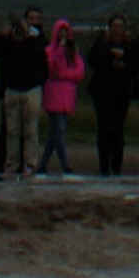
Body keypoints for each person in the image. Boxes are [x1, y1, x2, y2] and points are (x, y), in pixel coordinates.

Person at [0, 10, 49, 180]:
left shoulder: (38, 38)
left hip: (31, 88)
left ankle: (30, 165)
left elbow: (39, 56)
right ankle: (11, 166)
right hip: (12, 88)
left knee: (31, 130)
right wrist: (3, 37)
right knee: (12, 131)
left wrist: (28, 36)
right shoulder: (11, 38)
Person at [85, 14, 139, 177]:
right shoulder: (102, 43)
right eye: (115, 26)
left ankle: (116, 167)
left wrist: (125, 63)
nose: (117, 30)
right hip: (102, 92)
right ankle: (104, 167)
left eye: (120, 26)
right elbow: (92, 60)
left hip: (122, 93)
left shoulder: (131, 44)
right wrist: (109, 57)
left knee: (118, 130)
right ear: (110, 28)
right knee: (103, 129)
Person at [39, 20, 83, 177]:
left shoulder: (74, 52)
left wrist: (65, 75)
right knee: (59, 130)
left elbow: (79, 72)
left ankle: (42, 164)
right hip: (54, 94)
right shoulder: (50, 50)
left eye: (66, 31)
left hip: (67, 95)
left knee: (54, 133)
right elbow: (51, 68)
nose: (63, 35)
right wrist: (59, 52)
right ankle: (65, 164)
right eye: (60, 31)